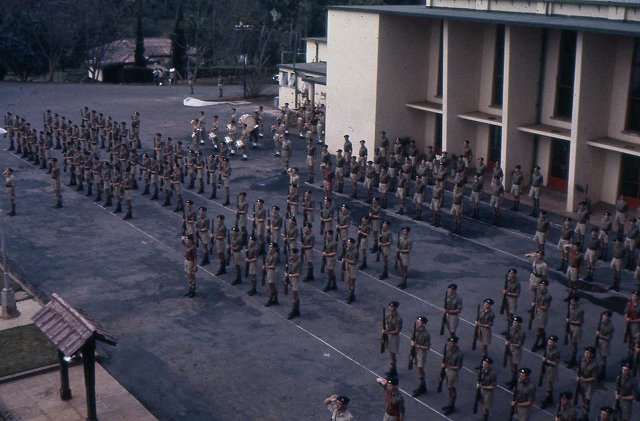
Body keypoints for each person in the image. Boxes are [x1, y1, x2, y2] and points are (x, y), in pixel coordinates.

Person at [441, 335, 463, 415]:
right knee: (449, 388)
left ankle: (452, 405)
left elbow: (458, 367)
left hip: (453, 372)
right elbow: (444, 359)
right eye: (449, 342)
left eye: (451, 342)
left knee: (452, 389)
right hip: (447, 370)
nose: (450, 344)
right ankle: (450, 403)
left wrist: (446, 366)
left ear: (455, 344)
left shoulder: (459, 354)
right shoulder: (447, 350)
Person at [410, 316, 430, 397]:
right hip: (415, 351)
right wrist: (412, 342)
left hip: (421, 352)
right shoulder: (416, 330)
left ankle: (422, 386)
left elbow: (427, 347)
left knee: (420, 369)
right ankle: (422, 385)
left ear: (423, 324)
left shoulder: (426, 334)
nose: (418, 322)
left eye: (420, 322)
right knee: (419, 369)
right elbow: (412, 339)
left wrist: (417, 345)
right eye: (417, 321)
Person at [576, 347, 599, 420]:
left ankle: (585, 416)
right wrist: (578, 376)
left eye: (588, 353)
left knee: (587, 400)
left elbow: (594, 378)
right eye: (585, 352)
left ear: (592, 355)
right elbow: (579, 370)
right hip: (582, 382)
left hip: (589, 385)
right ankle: (584, 413)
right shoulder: (582, 360)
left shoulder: (594, 364)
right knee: (583, 398)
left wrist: (584, 379)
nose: (586, 354)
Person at [531, 279, 552, 352]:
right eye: (540, 285)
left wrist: (537, 305)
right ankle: (544, 342)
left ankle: (535, 344)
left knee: (540, 330)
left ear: (546, 286)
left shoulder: (548, 296)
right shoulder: (539, 292)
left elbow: (546, 307)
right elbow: (537, 300)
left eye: (543, 285)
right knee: (541, 328)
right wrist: (535, 310)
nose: (541, 286)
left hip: (543, 313)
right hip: (538, 311)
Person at [541, 335, 561, 408]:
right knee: (549, 384)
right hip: (546, 367)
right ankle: (550, 399)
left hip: (551, 369)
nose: (549, 343)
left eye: (551, 342)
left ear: (555, 343)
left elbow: (556, 363)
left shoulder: (556, 352)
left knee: (549, 386)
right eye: (549, 341)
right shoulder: (547, 348)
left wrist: (547, 361)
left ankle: (547, 400)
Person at [506, 316, 526, 389]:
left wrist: (510, 343)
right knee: (511, 365)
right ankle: (513, 379)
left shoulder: (521, 332)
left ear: (519, 324)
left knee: (515, 366)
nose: (514, 323)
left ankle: (514, 381)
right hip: (510, 348)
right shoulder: (511, 328)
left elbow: (519, 344)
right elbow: (508, 337)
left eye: (516, 322)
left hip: (516, 351)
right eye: (514, 322)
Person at [383, 301, 403, 377]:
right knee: (390, 354)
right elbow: (386, 324)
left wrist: (388, 332)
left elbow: (397, 331)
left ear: (395, 308)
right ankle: (393, 369)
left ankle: (393, 369)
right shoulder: (388, 315)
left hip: (394, 338)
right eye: (390, 307)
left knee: (392, 355)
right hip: (388, 336)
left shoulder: (398, 318)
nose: (390, 308)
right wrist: (384, 330)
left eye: (391, 307)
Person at [594, 310, 614, 382]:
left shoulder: (610, 326)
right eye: (603, 316)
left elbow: (608, 338)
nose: (604, 318)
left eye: (605, 317)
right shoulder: (601, 323)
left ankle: (601, 373)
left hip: (605, 343)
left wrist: (600, 335)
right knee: (601, 357)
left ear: (608, 318)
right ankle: (602, 373)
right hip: (599, 341)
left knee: (603, 359)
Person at [565, 295, 584, 369]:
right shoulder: (570, 307)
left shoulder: (580, 310)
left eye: (573, 300)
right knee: (571, 343)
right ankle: (572, 359)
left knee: (574, 345)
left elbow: (580, 322)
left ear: (576, 301)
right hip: (571, 327)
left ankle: (573, 360)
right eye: (571, 300)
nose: (571, 301)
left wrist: (570, 321)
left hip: (576, 329)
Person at [477, 355, 497, 421]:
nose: (484, 365)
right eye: (483, 363)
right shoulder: (481, 371)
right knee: (483, 406)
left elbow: (493, 386)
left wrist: (482, 386)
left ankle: (485, 419)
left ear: (489, 365)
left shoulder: (493, 374)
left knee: (486, 408)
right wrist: (478, 384)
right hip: (481, 390)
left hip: (488, 392)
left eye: (485, 364)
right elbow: (478, 379)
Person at [286, 248, 301, 319]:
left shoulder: (298, 261)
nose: (291, 254)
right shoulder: (290, 259)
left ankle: (294, 311)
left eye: (292, 253)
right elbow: (288, 268)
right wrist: (286, 273)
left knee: (294, 295)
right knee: (293, 295)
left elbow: (298, 273)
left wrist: (290, 275)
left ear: (295, 254)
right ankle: (297, 310)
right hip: (290, 277)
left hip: (295, 278)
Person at [264, 242, 280, 306]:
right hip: (268, 270)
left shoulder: (275, 255)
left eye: (271, 247)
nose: (270, 248)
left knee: (271, 285)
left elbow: (273, 266)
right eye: (270, 247)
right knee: (272, 285)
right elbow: (267, 260)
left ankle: (271, 299)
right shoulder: (269, 253)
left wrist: (266, 267)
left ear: (275, 248)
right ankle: (275, 299)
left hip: (272, 271)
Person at [344, 238, 358, 304]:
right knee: (349, 281)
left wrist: (346, 260)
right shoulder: (347, 249)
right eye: (347, 243)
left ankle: (351, 296)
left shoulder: (355, 251)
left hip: (353, 267)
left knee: (352, 282)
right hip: (348, 266)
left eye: (349, 243)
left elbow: (354, 262)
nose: (348, 244)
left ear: (352, 244)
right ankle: (351, 295)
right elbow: (346, 256)